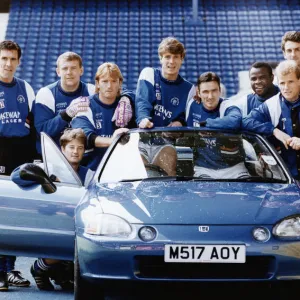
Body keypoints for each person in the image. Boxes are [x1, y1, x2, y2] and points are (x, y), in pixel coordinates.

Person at [11, 128, 93, 291]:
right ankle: (40, 269)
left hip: (74, 224)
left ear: (84, 150)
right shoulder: (49, 168)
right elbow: (15, 176)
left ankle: (50, 271)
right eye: (71, 147)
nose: (75, 152)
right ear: (62, 149)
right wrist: (43, 178)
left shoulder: (89, 174)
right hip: (47, 223)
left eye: (80, 148)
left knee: (69, 278)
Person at [34, 52, 133, 157]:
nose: (69, 72)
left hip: (81, 155)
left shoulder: (90, 90)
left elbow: (112, 89)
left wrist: (126, 98)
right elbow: (42, 131)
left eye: (73, 68)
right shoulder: (46, 93)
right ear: (58, 72)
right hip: (55, 154)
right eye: (65, 68)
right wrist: (66, 114)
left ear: (81, 70)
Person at [0, 40, 34, 291]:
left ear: (19, 62)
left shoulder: (26, 88)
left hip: (20, 153)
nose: (8, 64)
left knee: (13, 213)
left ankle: (8, 268)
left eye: (12, 59)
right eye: (3, 58)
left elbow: (32, 124)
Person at [135, 37, 195, 175]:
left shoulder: (189, 89)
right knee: (138, 173)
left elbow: (187, 119)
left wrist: (179, 123)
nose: (171, 62)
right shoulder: (149, 73)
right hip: (143, 139)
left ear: (182, 59)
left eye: (176, 57)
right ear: (160, 58)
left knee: (169, 165)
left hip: (166, 143)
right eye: (167, 57)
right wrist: (143, 119)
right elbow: (142, 101)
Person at [242, 60, 300, 179]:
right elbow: (245, 122)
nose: (286, 87)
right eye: (282, 83)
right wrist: (274, 130)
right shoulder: (272, 105)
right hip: (288, 178)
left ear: (299, 81)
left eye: (290, 82)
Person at [71, 62, 134, 171]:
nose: (109, 86)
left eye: (114, 81)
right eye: (105, 81)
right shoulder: (84, 104)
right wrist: (112, 141)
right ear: (97, 83)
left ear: (120, 83)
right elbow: (84, 136)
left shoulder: (127, 105)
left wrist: (129, 97)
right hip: (91, 171)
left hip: (123, 169)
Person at [185, 71, 247, 179]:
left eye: (214, 91)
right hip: (204, 168)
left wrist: (208, 123)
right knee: (203, 195)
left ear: (220, 91)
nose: (210, 96)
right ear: (198, 93)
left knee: (246, 194)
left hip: (234, 168)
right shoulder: (192, 105)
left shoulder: (228, 105)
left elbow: (235, 121)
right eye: (205, 92)